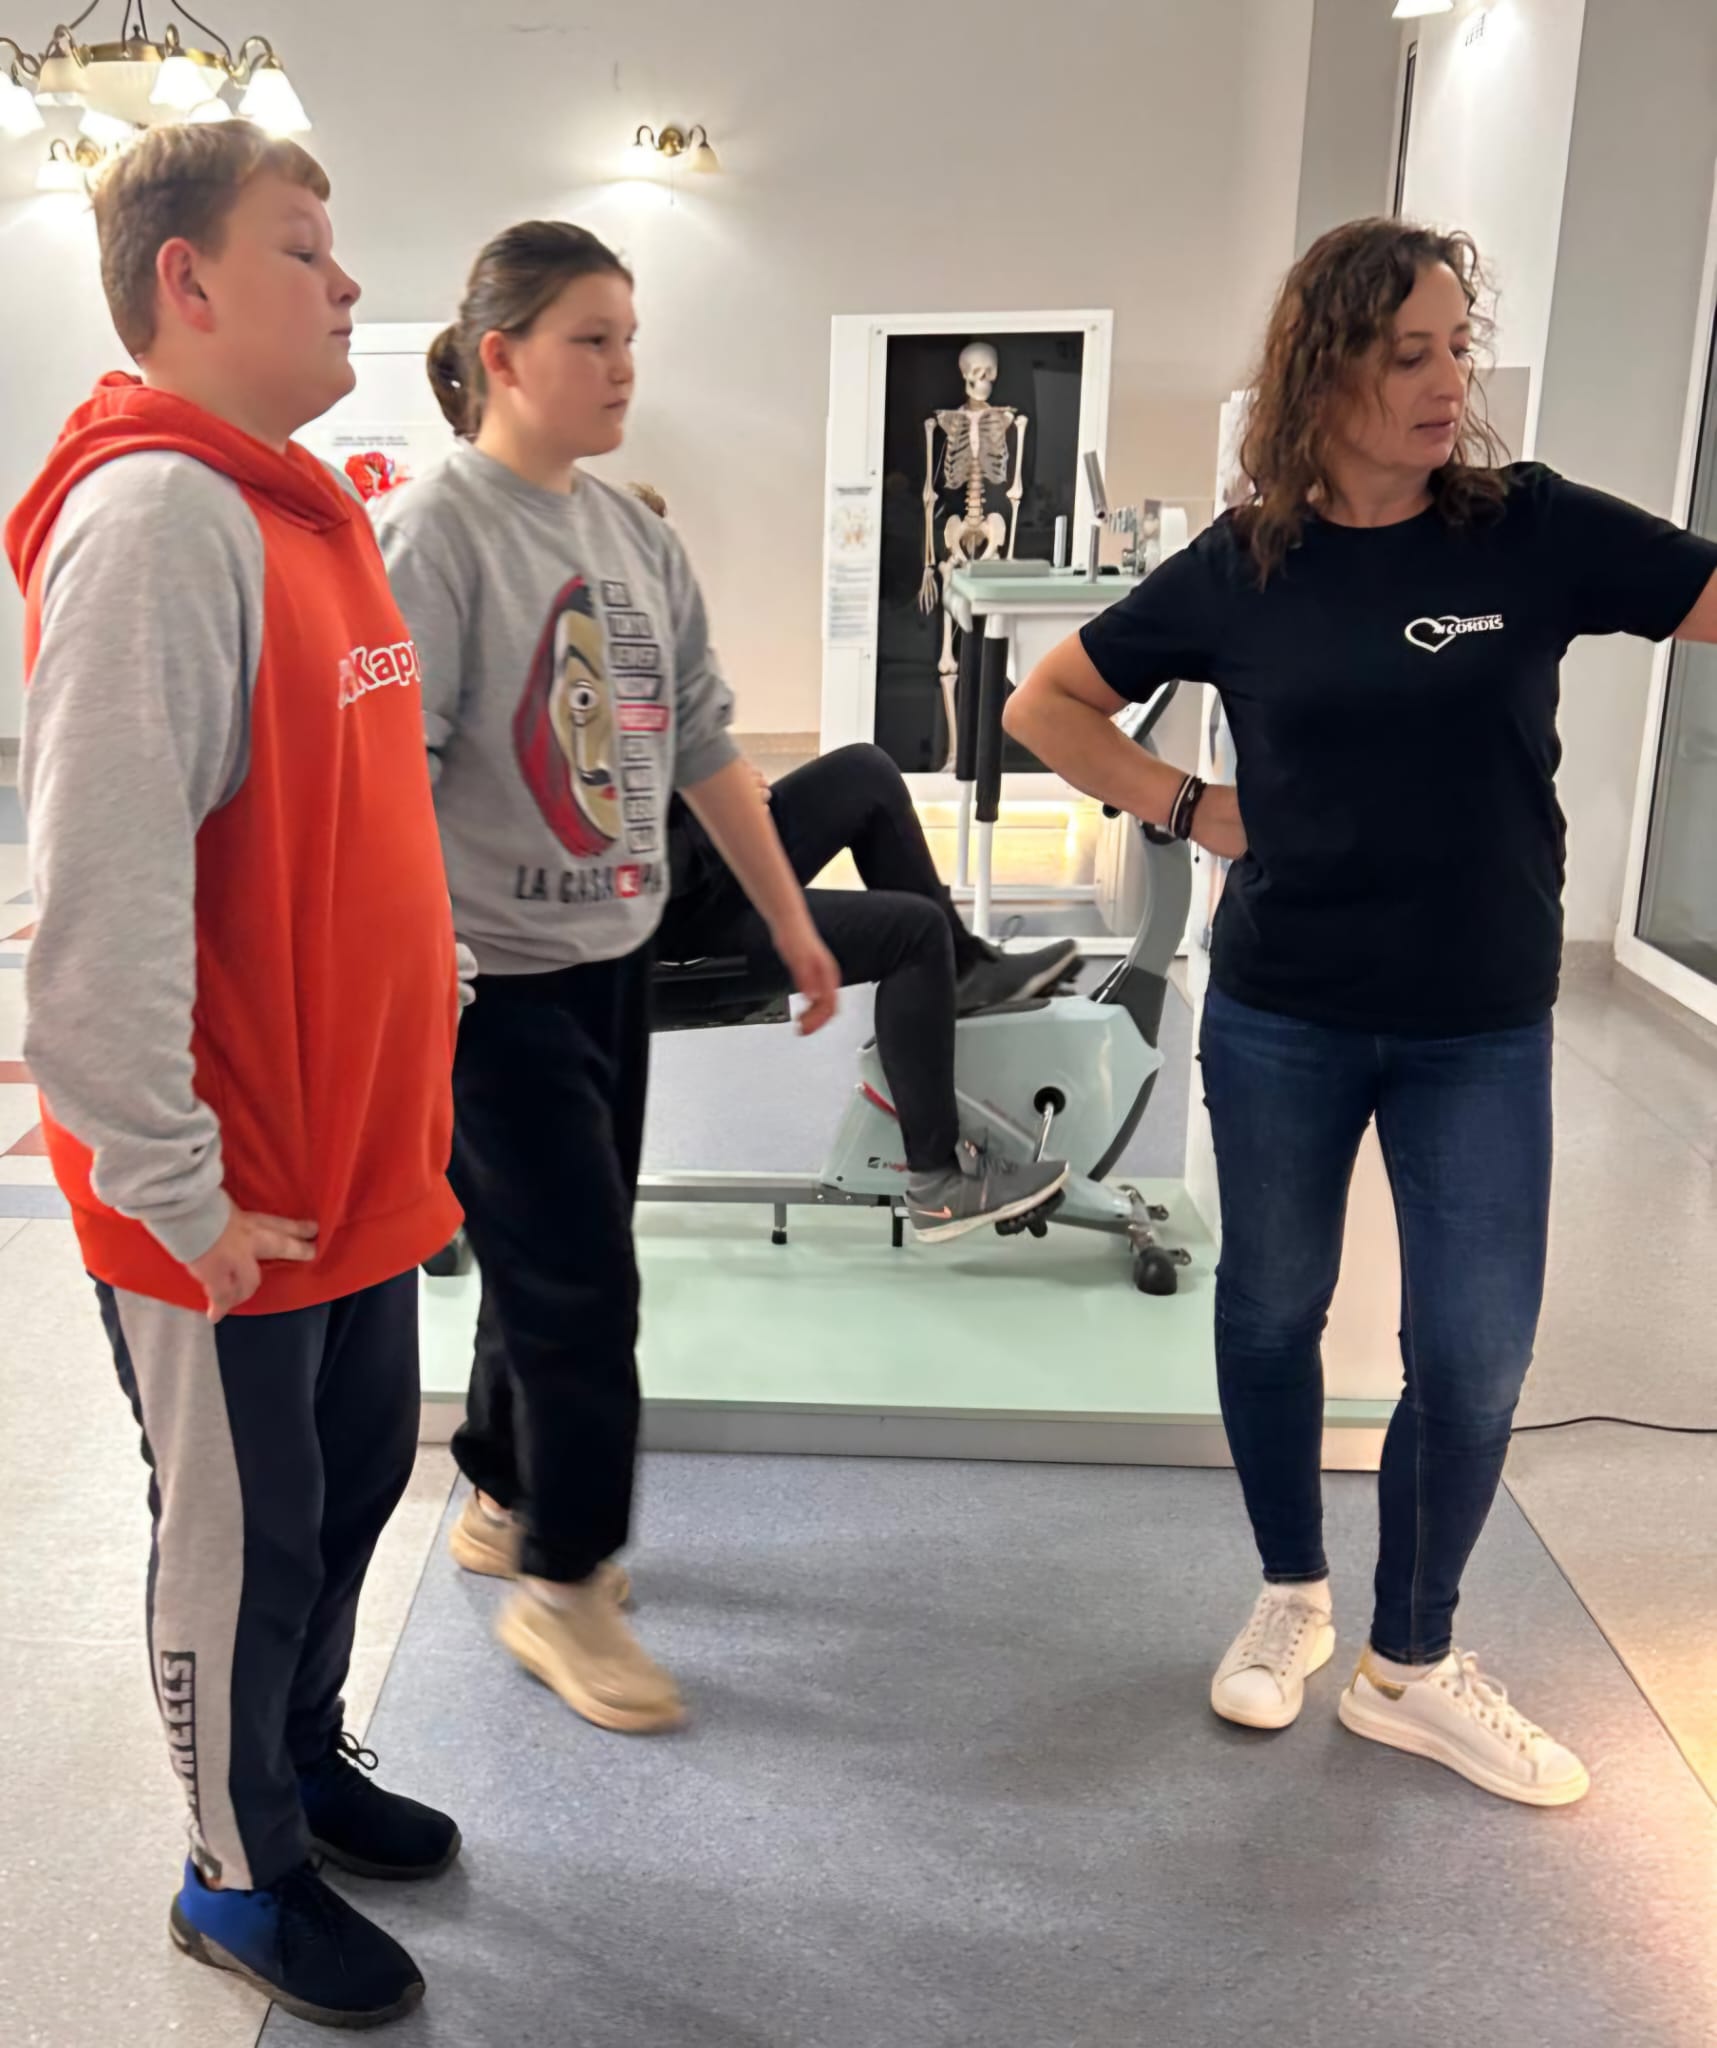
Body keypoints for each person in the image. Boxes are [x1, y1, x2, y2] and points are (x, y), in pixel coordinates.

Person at [1006, 218, 1717, 1808]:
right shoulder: (1247, 562)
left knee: (1472, 1357)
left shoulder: (1526, 531)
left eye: (1458, 346)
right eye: (1410, 353)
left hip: (1480, 1020)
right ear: (1323, 370)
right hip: (1287, 1010)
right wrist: (1189, 805)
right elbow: (1046, 703)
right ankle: (1292, 1595)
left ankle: (1412, 1663)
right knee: (1271, 1312)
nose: (1448, 381)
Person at [5, 123, 466, 2028]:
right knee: (243, 1534)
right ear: (185, 283)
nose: (349, 283)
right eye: (303, 248)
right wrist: (171, 1188)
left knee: (346, 1491)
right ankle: (232, 1867)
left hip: (347, 1162)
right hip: (229, 1193)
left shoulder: (296, 510)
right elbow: (97, 909)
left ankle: (295, 1757)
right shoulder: (155, 523)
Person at [373, 222, 842, 1738]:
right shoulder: (436, 535)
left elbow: (704, 742)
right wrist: (412, 972)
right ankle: (563, 1587)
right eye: (591, 337)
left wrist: (790, 919)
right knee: (585, 1284)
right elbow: (385, 782)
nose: (623, 366)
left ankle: (507, 1494)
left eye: (630, 336)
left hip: (608, 966)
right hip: (491, 989)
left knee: (555, 1255)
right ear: (501, 356)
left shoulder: (635, 540)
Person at [633, 485, 1084, 1243]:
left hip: (710, 864)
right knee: (910, 934)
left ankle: (966, 971)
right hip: (681, 923)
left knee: (865, 773)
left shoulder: (645, 653)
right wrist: (715, 799)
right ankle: (937, 1182)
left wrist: (718, 782)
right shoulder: (591, 674)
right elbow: (644, 849)